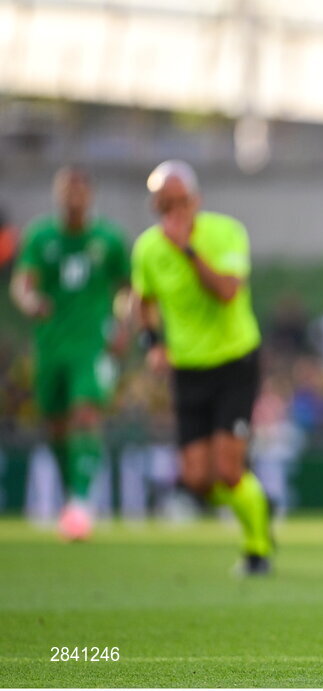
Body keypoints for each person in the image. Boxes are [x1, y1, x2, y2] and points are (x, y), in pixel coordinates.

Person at [130, 160, 273, 575]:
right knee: (196, 479)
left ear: (195, 200)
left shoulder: (225, 232)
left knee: (228, 470)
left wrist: (187, 249)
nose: (172, 213)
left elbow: (228, 291)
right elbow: (144, 301)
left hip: (234, 361)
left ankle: (257, 549)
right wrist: (153, 343)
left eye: (179, 203)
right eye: (163, 206)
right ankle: (258, 504)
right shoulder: (147, 249)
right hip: (188, 369)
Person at [10, 166, 130, 540]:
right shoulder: (41, 235)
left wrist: (123, 325)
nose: (72, 198)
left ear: (89, 195)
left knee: (85, 415)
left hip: (91, 343)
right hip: (50, 345)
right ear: (57, 195)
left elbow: (128, 289)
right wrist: (28, 302)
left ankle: (80, 503)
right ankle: (70, 497)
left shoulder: (108, 239)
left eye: (78, 191)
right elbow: (22, 282)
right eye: (66, 191)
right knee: (56, 425)